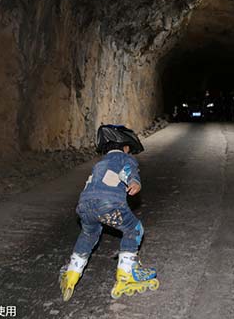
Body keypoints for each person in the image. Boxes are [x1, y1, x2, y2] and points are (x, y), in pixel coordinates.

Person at [58, 125, 159, 301]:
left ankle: (72, 272)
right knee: (134, 229)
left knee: (89, 234)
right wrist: (134, 182)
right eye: (130, 150)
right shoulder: (124, 158)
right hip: (108, 204)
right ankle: (127, 273)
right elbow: (128, 171)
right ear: (126, 147)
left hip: (84, 206)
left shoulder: (100, 164)